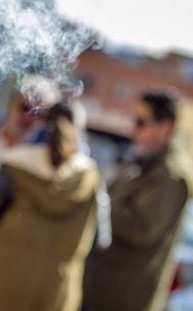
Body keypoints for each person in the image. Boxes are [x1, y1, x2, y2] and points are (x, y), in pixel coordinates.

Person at [0, 100, 100, 311]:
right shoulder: (91, 178)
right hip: (52, 292)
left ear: (43, 123)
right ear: (80, 131)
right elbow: (99, 238)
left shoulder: (17, 164)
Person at [82, 89, 193, 311]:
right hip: (103, 287)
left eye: (141, 122)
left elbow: (142, 228)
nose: (133, 129)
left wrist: (96, 202)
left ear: (165, 128)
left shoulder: (170, 174)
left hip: (121, 296)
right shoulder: (144, 160)